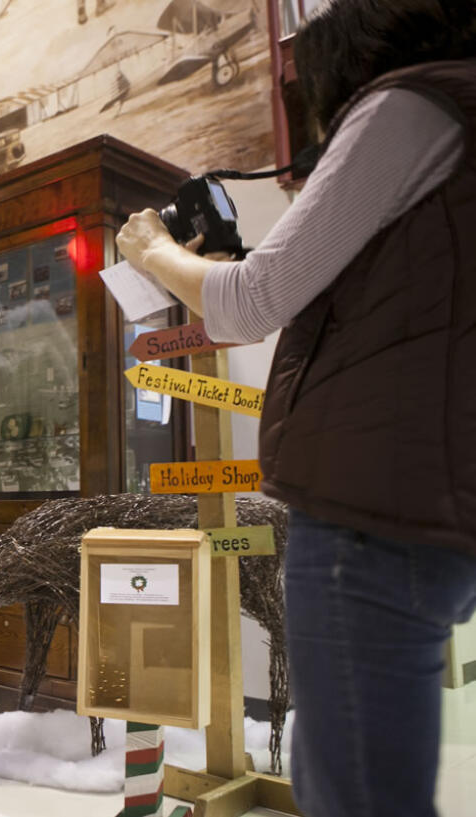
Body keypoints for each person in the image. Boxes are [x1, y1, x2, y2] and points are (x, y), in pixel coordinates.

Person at [114, 3, 476, 815]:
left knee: (352, 792)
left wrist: (152, 252)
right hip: (430, 502)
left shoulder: (410, 104)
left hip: (368, 514)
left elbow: (253, 299)